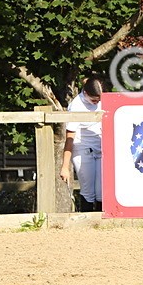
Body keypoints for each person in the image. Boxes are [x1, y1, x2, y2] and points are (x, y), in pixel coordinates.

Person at [60, 76, 104, 212]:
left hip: (101, 149)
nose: (97, 102)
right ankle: (87, 219)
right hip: (83, 149)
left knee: (101, 191)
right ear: (85, 93)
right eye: (94, 100)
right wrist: (65, 166)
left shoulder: (103, 100)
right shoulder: (77, 105)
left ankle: (101, 222)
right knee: (88, 190)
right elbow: (70, 138)